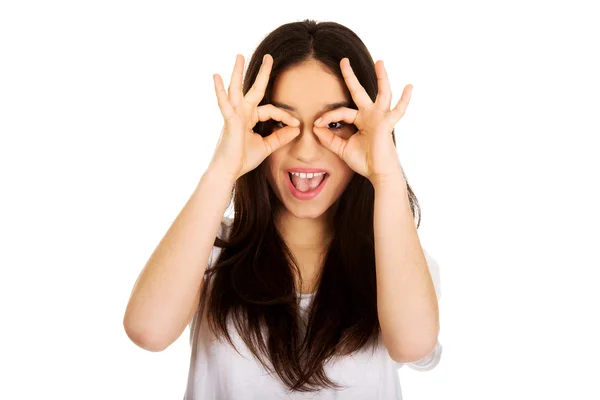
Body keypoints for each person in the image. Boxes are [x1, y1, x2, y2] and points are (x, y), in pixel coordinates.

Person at [123, 19, 442, 399]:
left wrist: (386, 176)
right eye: (280, 121)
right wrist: (223, 168)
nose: (305, 150)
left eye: (336, 122)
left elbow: (413, 344)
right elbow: (148, 330)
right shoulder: (209, 250)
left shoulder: (397, 259)